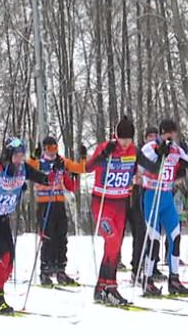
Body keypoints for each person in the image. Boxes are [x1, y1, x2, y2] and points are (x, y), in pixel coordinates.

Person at [0, 138, 50, 313]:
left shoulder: (22, 169)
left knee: (9, 265)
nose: (19, 159)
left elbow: (41, 177)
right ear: (8, 155)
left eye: (22, 155)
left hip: (2, 220)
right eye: (16, 155)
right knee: (4, 256)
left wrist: (52, 176)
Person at [136, 119, 188, 295]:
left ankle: (174, 279)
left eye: (173, 133)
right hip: (152, 195)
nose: (170, 137)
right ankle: (147, 279)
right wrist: (159, 153)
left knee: (175, 237)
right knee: (153, 240)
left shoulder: (176, 149)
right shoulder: (150, 147)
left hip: (167, 197)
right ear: (161, 133)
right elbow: (141, 164)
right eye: (167, 133)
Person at [88, 116, 139, 306]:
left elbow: (148, 168)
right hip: (102, 203)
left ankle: (101, 287)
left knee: (115, 246)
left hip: (121, 203)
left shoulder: (134, 151)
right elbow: (88, 167)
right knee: (111, 240)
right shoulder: (106, 147)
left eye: (129, 139)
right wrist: (103, 156)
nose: (125, 143)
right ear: (116, 136)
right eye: (123, 139)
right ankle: (110, 286)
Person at [26, 137, 85, 287]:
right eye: (48, 149)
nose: (52, 152)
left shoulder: (62, 162)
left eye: (54, 148)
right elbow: (26, 168)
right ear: (44, 149)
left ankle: (60, 270)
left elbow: (78, 171)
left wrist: (82, 160)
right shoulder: (39, 163)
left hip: (59, 203)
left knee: (61, 237)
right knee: (48, 238)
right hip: (45, 204)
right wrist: (33, 156)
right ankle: (45, 271)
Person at [129, 125, 161, 281]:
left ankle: (152, 266)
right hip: (138, 192)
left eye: (155, 136)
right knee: (141, 232)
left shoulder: (159, 152)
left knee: (154, 232)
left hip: (154, 193)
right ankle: (136, 268)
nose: (153, 138)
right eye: (150, 136)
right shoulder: (141, 152)